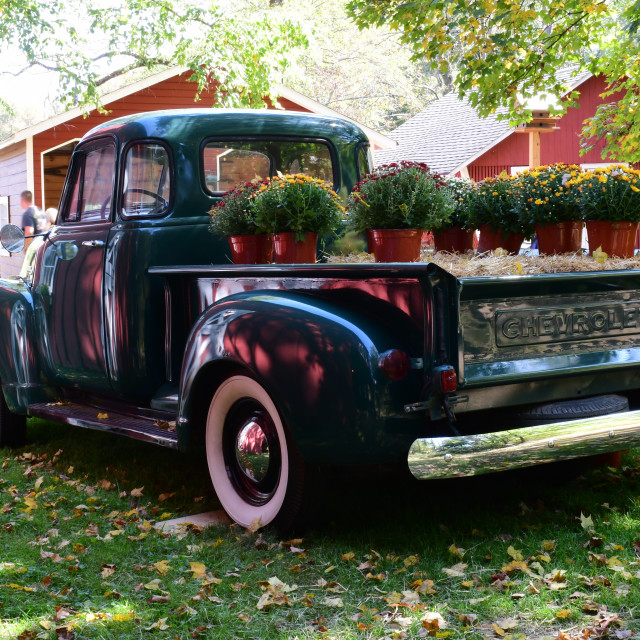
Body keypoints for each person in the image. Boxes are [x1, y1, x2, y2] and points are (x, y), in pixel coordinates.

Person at [20, 207, 57, 279]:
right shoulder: (68, 240)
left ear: (47, 222)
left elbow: (23, 277)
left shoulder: (37, 243)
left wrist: (26, 249)